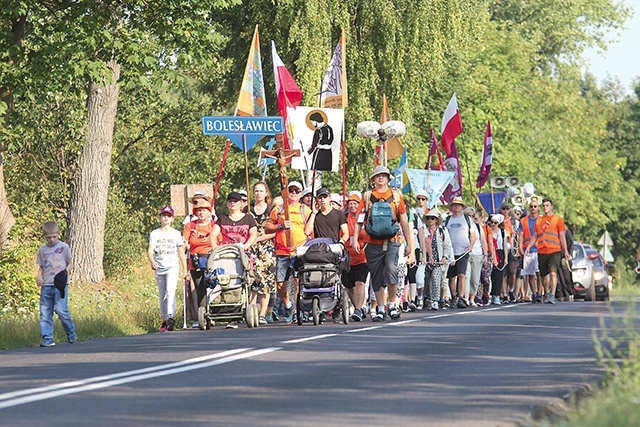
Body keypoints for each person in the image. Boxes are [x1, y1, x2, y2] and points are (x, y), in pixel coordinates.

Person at [353, 165, 414, 321]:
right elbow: (360, 220)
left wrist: (410, 245)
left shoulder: (396, 196)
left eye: (383, 175)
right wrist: (354, 239)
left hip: (392, 240)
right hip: (372, 242)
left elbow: (404, 221)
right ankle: (380, 308)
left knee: (391, 269)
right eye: (377, 175)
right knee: (376, 276)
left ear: (388, 178)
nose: (380, 178)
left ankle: (392, 304)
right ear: (373, 179)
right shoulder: (367, 197)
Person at [264, 180, 311, 323]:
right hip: (282, 252)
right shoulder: (278, 209)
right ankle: (288, 305)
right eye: (291, 191)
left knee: (298, 283)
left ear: (301, 194)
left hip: (299, 251)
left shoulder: (304, 210)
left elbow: (310, 230)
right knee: (280, 284)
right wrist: (280, 226)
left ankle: (298, 311)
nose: (294, 194)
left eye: (297, 191)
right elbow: (267, 227)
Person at [211, 191, 258, 328]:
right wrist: (215, 247)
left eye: (235, 201)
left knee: (241, 281)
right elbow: (213, 234)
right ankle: (220, 308)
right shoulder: (222, 219)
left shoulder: (248, 218)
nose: (232, 203)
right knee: (225, 280)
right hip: (226, 255)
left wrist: (245, 246)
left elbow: (253, 234)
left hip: (242, 253)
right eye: (230, 201)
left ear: (240, 204)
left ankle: (238, 312)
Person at [36, 221, 76, 347]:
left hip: (60, 285)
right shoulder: (42, 250)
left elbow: (70, 263)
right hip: (46, 285)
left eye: (54, 236)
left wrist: (66, 271)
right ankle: (47, 338)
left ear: (59, 234)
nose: (52, 239)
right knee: (45, 313)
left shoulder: (64, 247)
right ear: (44, 237)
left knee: (61, 310)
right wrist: (39, 276)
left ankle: (70, 332)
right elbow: (41, 267)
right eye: (48, 237)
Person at [148, 206, 188, 332]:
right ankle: (164, 319)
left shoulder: (176, 234)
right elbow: (150, 250)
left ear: (172, 218)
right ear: (160, 217)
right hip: (160, 266)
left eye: (168, 216)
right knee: (163, 295)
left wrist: (185, 270)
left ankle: (171, 316)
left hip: (172, 266)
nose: (166, 218)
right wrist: (152, 261)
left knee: (171, 291)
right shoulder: (155, 233)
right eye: (163, 215)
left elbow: (181, 252)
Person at [525, 197, 571, 304]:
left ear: (551, 207)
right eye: (544, 205)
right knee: (543, 275)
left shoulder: (558, 220)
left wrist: (566, 252)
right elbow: (535, 235)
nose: (545, 207)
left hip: (555, 250)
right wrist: (528, 246)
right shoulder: (539, 221)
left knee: (553, 273)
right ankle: (546, 292)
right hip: (542, 250)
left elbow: (562, 236)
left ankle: (552, 294)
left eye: (547, 205)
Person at [183, 200, 215, 327]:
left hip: (211, 258)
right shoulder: (190, 226)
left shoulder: (214, 224)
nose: (201, 213)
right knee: (199, 288)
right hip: (195, 260)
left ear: (209, 212)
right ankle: (202, 315)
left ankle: (213, 313)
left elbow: (219, 240)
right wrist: (185, 245)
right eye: (199, 211)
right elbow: (185, 241)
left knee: (213, 286)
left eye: (204, 210)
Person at [249, 181, 277, 324]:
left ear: (266, 193)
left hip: (267, 248)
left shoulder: (272, 209)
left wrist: (258, 238)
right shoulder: (249, 210)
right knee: (253, 279)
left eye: (261, 191)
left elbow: (274, 231)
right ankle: (251, 310)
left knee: (266, 281)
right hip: (252, 249)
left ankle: (262, 313)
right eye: (256, 191)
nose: (258, 193)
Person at [444, 196, 477, 308]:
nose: (457, 207)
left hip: (463, 251)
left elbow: (473, 235)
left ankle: (461, 297)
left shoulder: (467, 219)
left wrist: (471, 246)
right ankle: (454, 296)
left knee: (461, 274)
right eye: (455, 205)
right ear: (452, 207)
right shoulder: (448, 220)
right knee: (452, 277)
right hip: (451, 252)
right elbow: (444, 235)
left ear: (462, 207)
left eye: (459, 205)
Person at [343, 191, 369, 321]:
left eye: (355, 203)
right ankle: (357, 307)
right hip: (348, 257)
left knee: (360, 282)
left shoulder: (364, 218)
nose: (352, 206)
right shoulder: (344, 218)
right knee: (348, 286)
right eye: (350, 203)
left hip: (362, 257)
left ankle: (358, 309)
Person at [421, 210, 453, 310]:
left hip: (438, 260)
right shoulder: (423, 231)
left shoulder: (441, 231)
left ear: (436, 220)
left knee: (436, 279)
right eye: (428, 218)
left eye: (432, 218)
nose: (430, 220)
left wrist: (445, 256)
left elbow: (447, 245)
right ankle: (428, 299)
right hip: (425, 260)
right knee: (426, 281)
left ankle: (435, 300)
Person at [519, 201, 542, 303]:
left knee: (539, 273)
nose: (533, 208)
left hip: (539, 249)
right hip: (527, 250)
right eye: (531, 206)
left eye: (535, 206)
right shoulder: (523, 221)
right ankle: (534, 293)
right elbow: (520, 235)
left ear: (538, 208)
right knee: (530, 274)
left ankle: (540, 293)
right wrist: (520, 248)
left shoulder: (542, 220)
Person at [488, 213, 509, 305]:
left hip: (499, 252)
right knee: (490, 275)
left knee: (499, 275)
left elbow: (504, 245)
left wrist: (506, 258)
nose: (493, 224)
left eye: (495, 223)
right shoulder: (488, 231)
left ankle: (496, 294)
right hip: (491, 252)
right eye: (492, 222)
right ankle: (490, 293)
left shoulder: (503, 232)